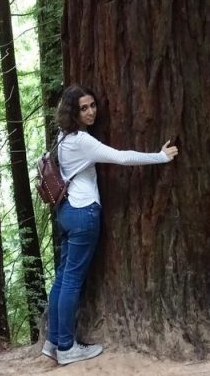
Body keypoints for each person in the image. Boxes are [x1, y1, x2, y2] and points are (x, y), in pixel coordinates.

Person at [41, 85, 179, 365]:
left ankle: (54, 342)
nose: (91, 111)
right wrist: (160, 157)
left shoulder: (63, 136)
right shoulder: (81, 140)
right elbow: (122, 157)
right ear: (73, 111)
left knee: (63, 278)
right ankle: (67, 348)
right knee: (71, 282)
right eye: (84, 107)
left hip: (67, 211)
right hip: (83, 214)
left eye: (92, 105)